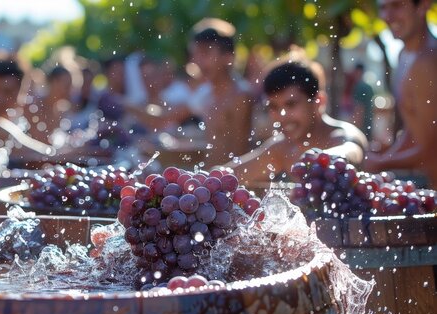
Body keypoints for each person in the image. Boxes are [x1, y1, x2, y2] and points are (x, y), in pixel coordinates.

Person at [218, 54, 368, 184]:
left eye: (291, 104)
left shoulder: (343, 136)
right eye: (274, 107)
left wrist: (325, 159)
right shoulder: (283, 148)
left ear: (319, 102)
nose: (281, 115)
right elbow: (226, 177)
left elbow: (351, 151)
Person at [126, 18, 254, 162]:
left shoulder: (240, 96)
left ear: (228, 57)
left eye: (205, 54)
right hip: (212, 179)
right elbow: (163, 119)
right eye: (195, 54)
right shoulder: (205, 94)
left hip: (227, 182)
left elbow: (241, 157)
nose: (197, 62)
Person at [363, 0, 437, 186]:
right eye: (383, 8)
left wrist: (381, 162)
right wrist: (386, 156)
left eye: (397, 6)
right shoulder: (404, 56)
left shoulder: (428, 61)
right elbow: (415, 130)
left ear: (423, 6)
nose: (387, 17)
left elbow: (433, 149)